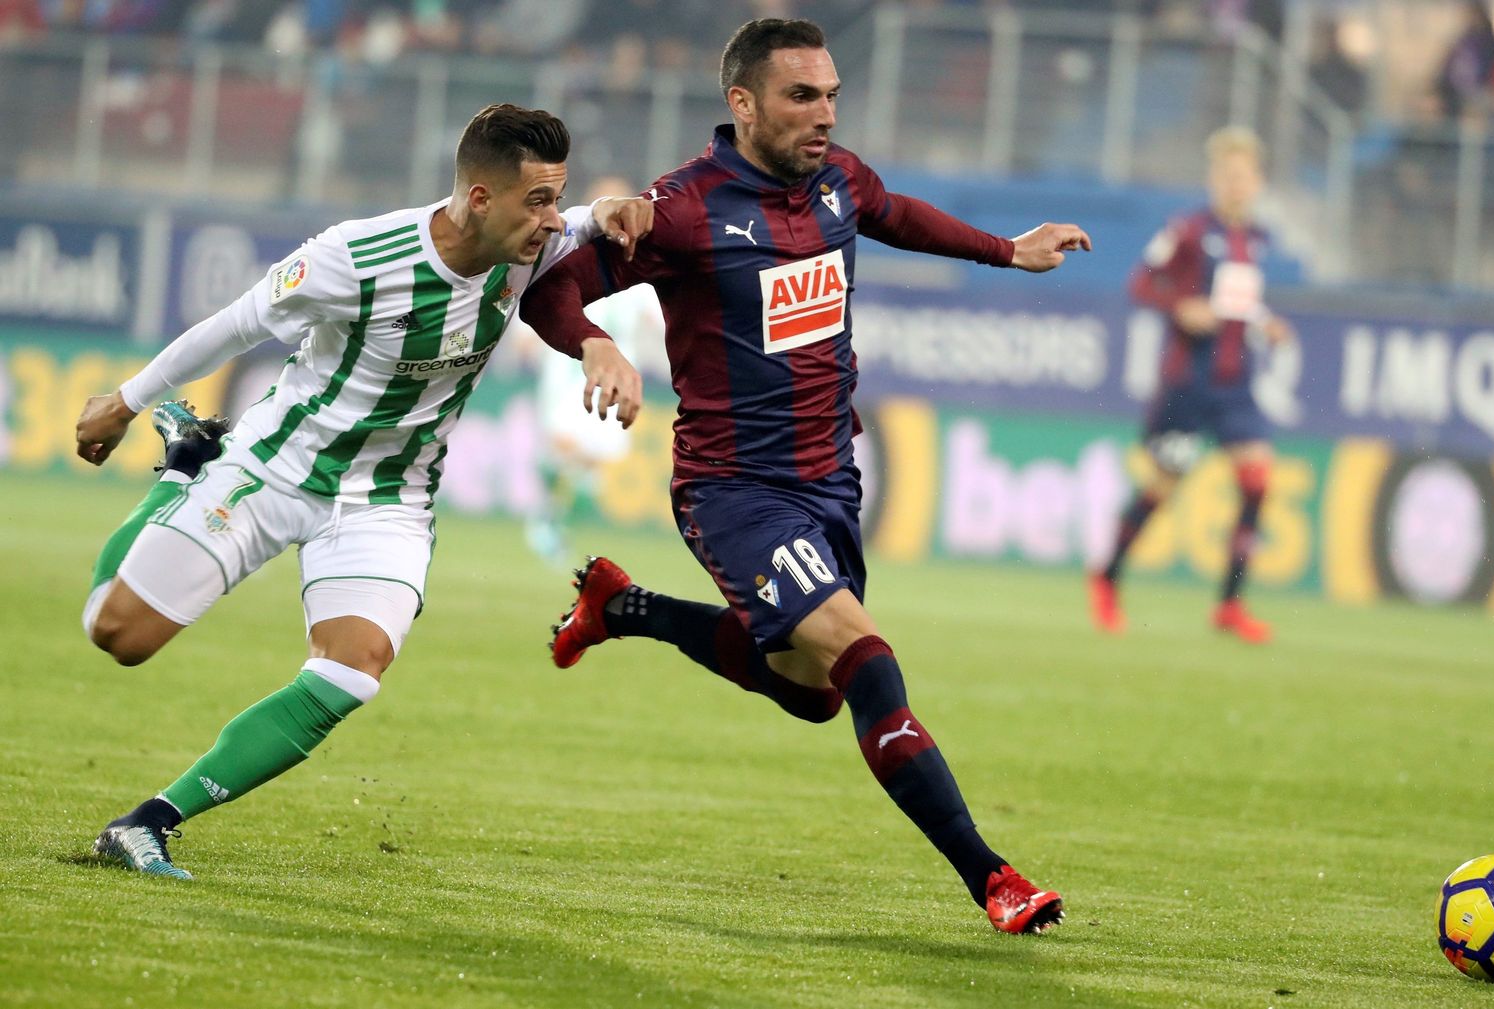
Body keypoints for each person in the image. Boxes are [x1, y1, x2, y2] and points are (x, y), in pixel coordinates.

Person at [524, 18, 1090, 935]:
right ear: (743, 104)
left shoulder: (838, 180)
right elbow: (550, 291)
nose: (825, 113)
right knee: (867, 660)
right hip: (733, 490)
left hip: (830, 478)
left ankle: (624, 607)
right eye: (801, 97)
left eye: (831, 95)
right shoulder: (682, 209)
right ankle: (993, 875)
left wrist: (1007, 249)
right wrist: (593, 342)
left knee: (810, 691)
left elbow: (894, 212)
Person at [74, 104, 652, 879]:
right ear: (480, 198)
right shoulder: (356, 256)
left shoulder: (526, 243)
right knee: (117, 635)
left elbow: (584, 224)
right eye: (539, 201)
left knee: (351, 669)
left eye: (559, 199)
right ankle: (185, 468)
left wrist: (603, 212)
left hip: (389, 497)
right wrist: (124, 400)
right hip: (276, 468)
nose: (553, 220)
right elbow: (236, 325)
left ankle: (149, 822)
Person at [1088, 126, 1294, 644]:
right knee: (1163, 487)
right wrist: (1180, 306)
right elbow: (1141, 282)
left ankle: (1229, 604)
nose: (1235, 185)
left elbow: (1237, 301)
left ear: (1257, 182)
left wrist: (1265, 323)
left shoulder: (1258, 239)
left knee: (1257, 479)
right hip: (1188, 382)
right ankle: (1107, 577)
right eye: (1227, 175)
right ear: (1213, 179)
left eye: (1244, 176)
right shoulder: (1187, 231)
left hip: (1236, 381)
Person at [526, 174, 663, 567]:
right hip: (568, 374)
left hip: (615, 379)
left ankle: (552, 518)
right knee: (567, 445)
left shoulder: (638, 272)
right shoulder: (563, 261)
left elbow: (660, 320)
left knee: (595, 460)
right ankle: (546, 521)